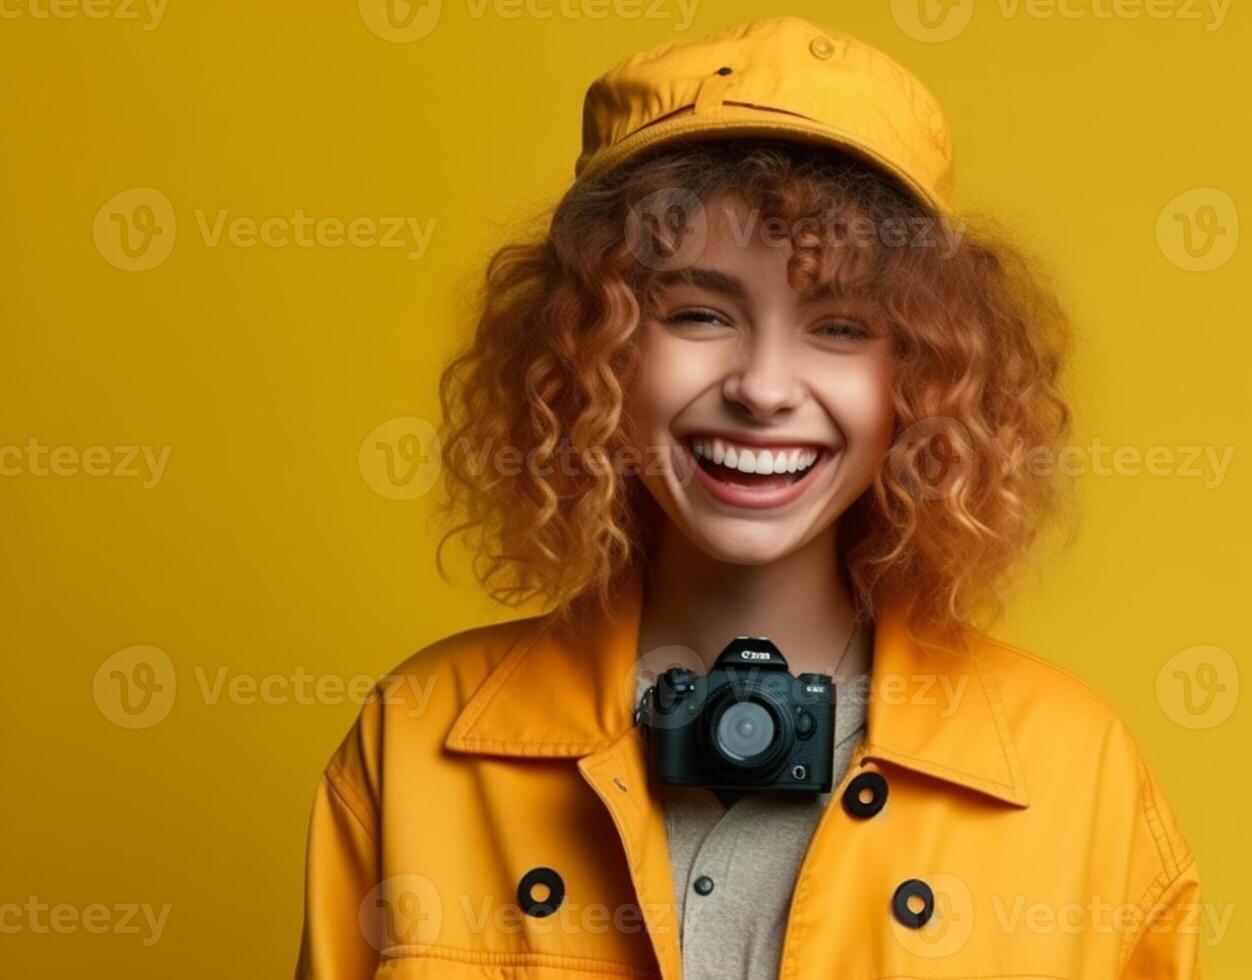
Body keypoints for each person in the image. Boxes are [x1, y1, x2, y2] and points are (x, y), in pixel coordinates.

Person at [295, 16, 1203, 980]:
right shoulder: (421, 741)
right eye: (698, 314)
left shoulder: (1074, 775)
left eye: (841, 325)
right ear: (585, 352)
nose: (765, 387)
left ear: (928, 375)